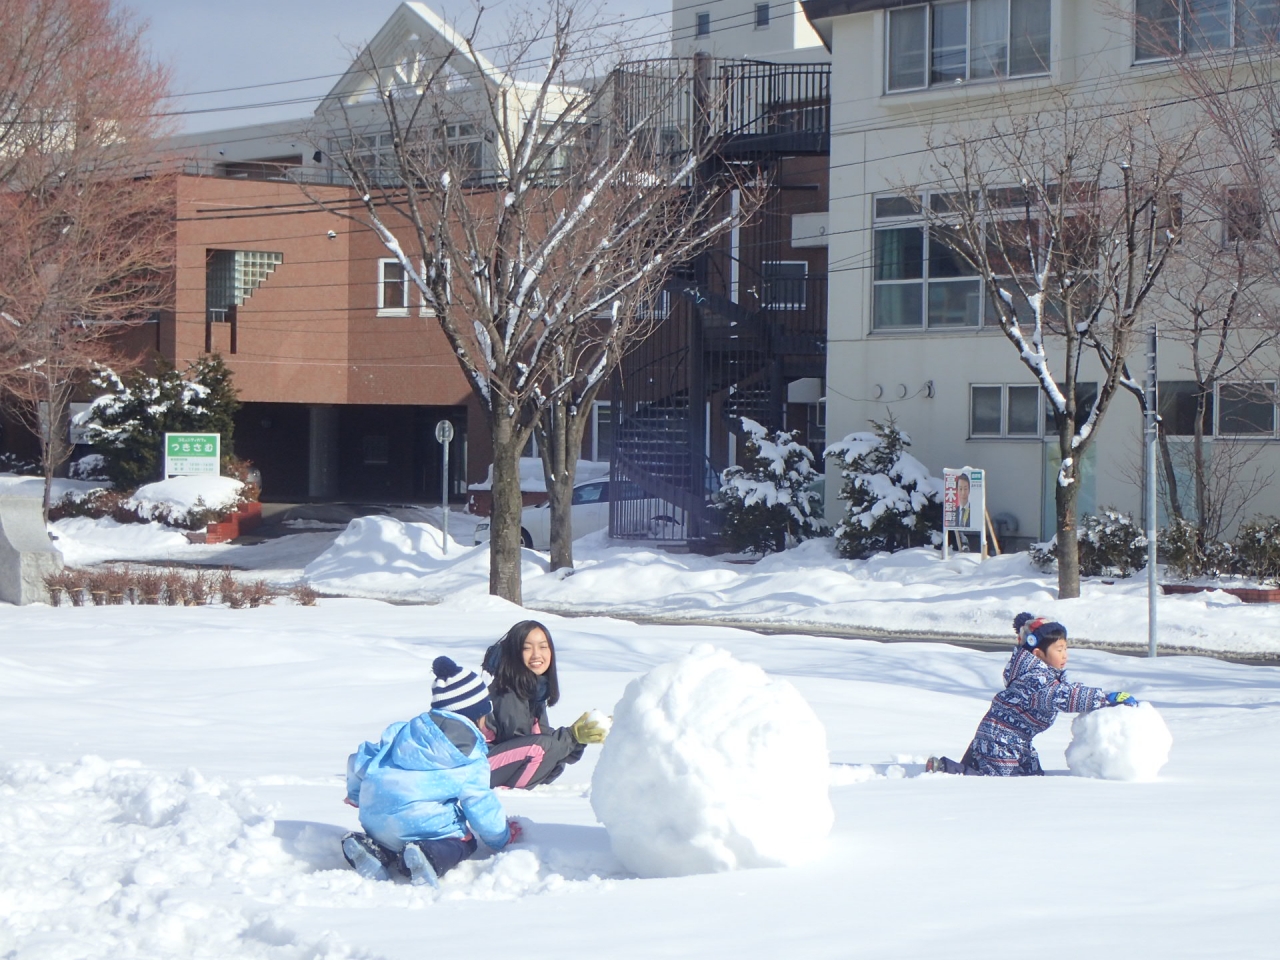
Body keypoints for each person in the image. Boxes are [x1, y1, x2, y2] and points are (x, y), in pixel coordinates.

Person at [341, 657, 522, 887]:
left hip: (375, 816)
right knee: (464, 841)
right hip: (421, 825)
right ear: (478, 716)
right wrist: (501, 838)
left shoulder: (402, 731)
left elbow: (361, 758)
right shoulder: (471, 756)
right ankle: (427, 855)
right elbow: (480, 803)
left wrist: (357, 794)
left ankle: (371, 849)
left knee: (390, 838)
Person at [926, 617, 1140, 777]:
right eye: (1058, 649)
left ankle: (962, 767)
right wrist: (1105, 697)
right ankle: (944, 769)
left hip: (1015, 739)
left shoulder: (1039, 674)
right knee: (994, 781)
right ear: (1038, 654)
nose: (1064, 655)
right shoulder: (1036, 681)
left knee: (1033, 777)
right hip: (1002, 740)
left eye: (1066, 649)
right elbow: (1065, 696)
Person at [481, 619, 608, 789]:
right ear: (513, 654)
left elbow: (543, 735)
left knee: (556, 758)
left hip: (496, 765)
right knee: (543, 747)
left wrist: (579, 739)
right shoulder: (506, 692)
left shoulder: (532, 689)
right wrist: (571, 736)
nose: (536, 655)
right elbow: (522, 742)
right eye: (526, 648)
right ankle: (511, 795)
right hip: (475, 770)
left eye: (543, 646)